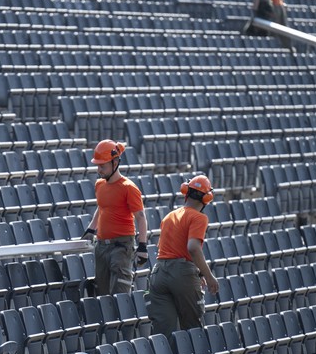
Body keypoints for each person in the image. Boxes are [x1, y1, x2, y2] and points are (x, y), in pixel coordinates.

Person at [146, 175, 220, 337]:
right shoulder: (199, 217)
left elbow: (169, 249)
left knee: (163, 331)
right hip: (182, 274)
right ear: (207, 198)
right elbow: (193, 248)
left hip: (158, 273)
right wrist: (208, 276)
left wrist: (198, 272)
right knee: (192, 329)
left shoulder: (169, 216)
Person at [81, 139, 149, 296]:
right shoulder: (99, 185)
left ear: (115, 162)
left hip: (121, 246)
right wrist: (91, 228)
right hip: (102, 247)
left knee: (120, 293)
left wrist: (143, 246)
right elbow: (102, 207)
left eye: (102, 165)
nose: (99, 169)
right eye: (97, 165)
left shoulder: (129, 188)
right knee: (102, 294)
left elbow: (141, 217)